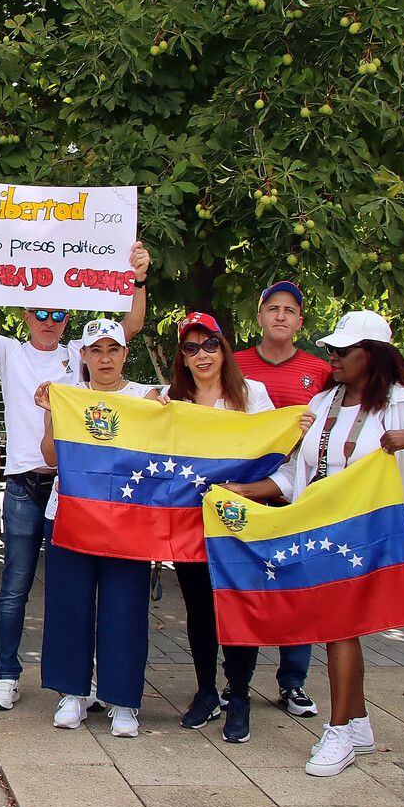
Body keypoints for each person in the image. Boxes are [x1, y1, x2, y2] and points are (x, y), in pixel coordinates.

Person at [223, 310, 404, 776]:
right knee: (336, 627)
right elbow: (299, 473)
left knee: (340, 626)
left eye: (345, 351)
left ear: (375, 355)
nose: (334, 357)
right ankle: (359, 723)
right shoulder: (325, 401)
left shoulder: (402, 402)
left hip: (373, 538)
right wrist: (246, 491)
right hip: (324, 532)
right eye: (333, 350)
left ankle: (340, 729)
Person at [0, 239, 152, 711]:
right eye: (40, 313)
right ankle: (6, 675)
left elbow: (132, 325)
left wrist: (140, 278)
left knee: (79, 589)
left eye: (59, 314)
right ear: (25, 315)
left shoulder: (81, 355)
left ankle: (87, 682)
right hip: (26, 487)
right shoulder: (8, 352)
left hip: (77, 489)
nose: (49, 321)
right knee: (17, 586)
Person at [36, 318, 161, 738]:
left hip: (129, 518)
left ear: (125, 354)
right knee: (69, 604)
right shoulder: (68, 395)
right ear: (83, 357)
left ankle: (122, 699)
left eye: (113, 350)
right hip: (71, 513)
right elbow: (51, 457)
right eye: (95, 350)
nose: (104, 358)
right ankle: (72, 692)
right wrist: (54, 414)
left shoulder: (147, 397)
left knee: (124, 606)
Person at [165, 313, 275, 744]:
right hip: (190, 520)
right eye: (190, 347)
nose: (201, 354)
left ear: (223, 348)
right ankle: (206, 690)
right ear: (183, 357)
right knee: (199, 608)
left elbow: (275, 451)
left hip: (237, 522)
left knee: (237, 606)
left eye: (209, 344)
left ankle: (240, 694)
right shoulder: (172, 400)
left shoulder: (253, 395)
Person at [233, 280, 332, 719]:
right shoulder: (233, 364)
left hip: (300, 494)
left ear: (300, 321)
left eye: (289, 310)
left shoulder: (320, 372)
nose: (280, 316)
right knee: (245, 586)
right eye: (272, 307)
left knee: (296, 586)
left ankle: (292, 682)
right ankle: (237, 683)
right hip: (244, 491)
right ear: (258, 317)